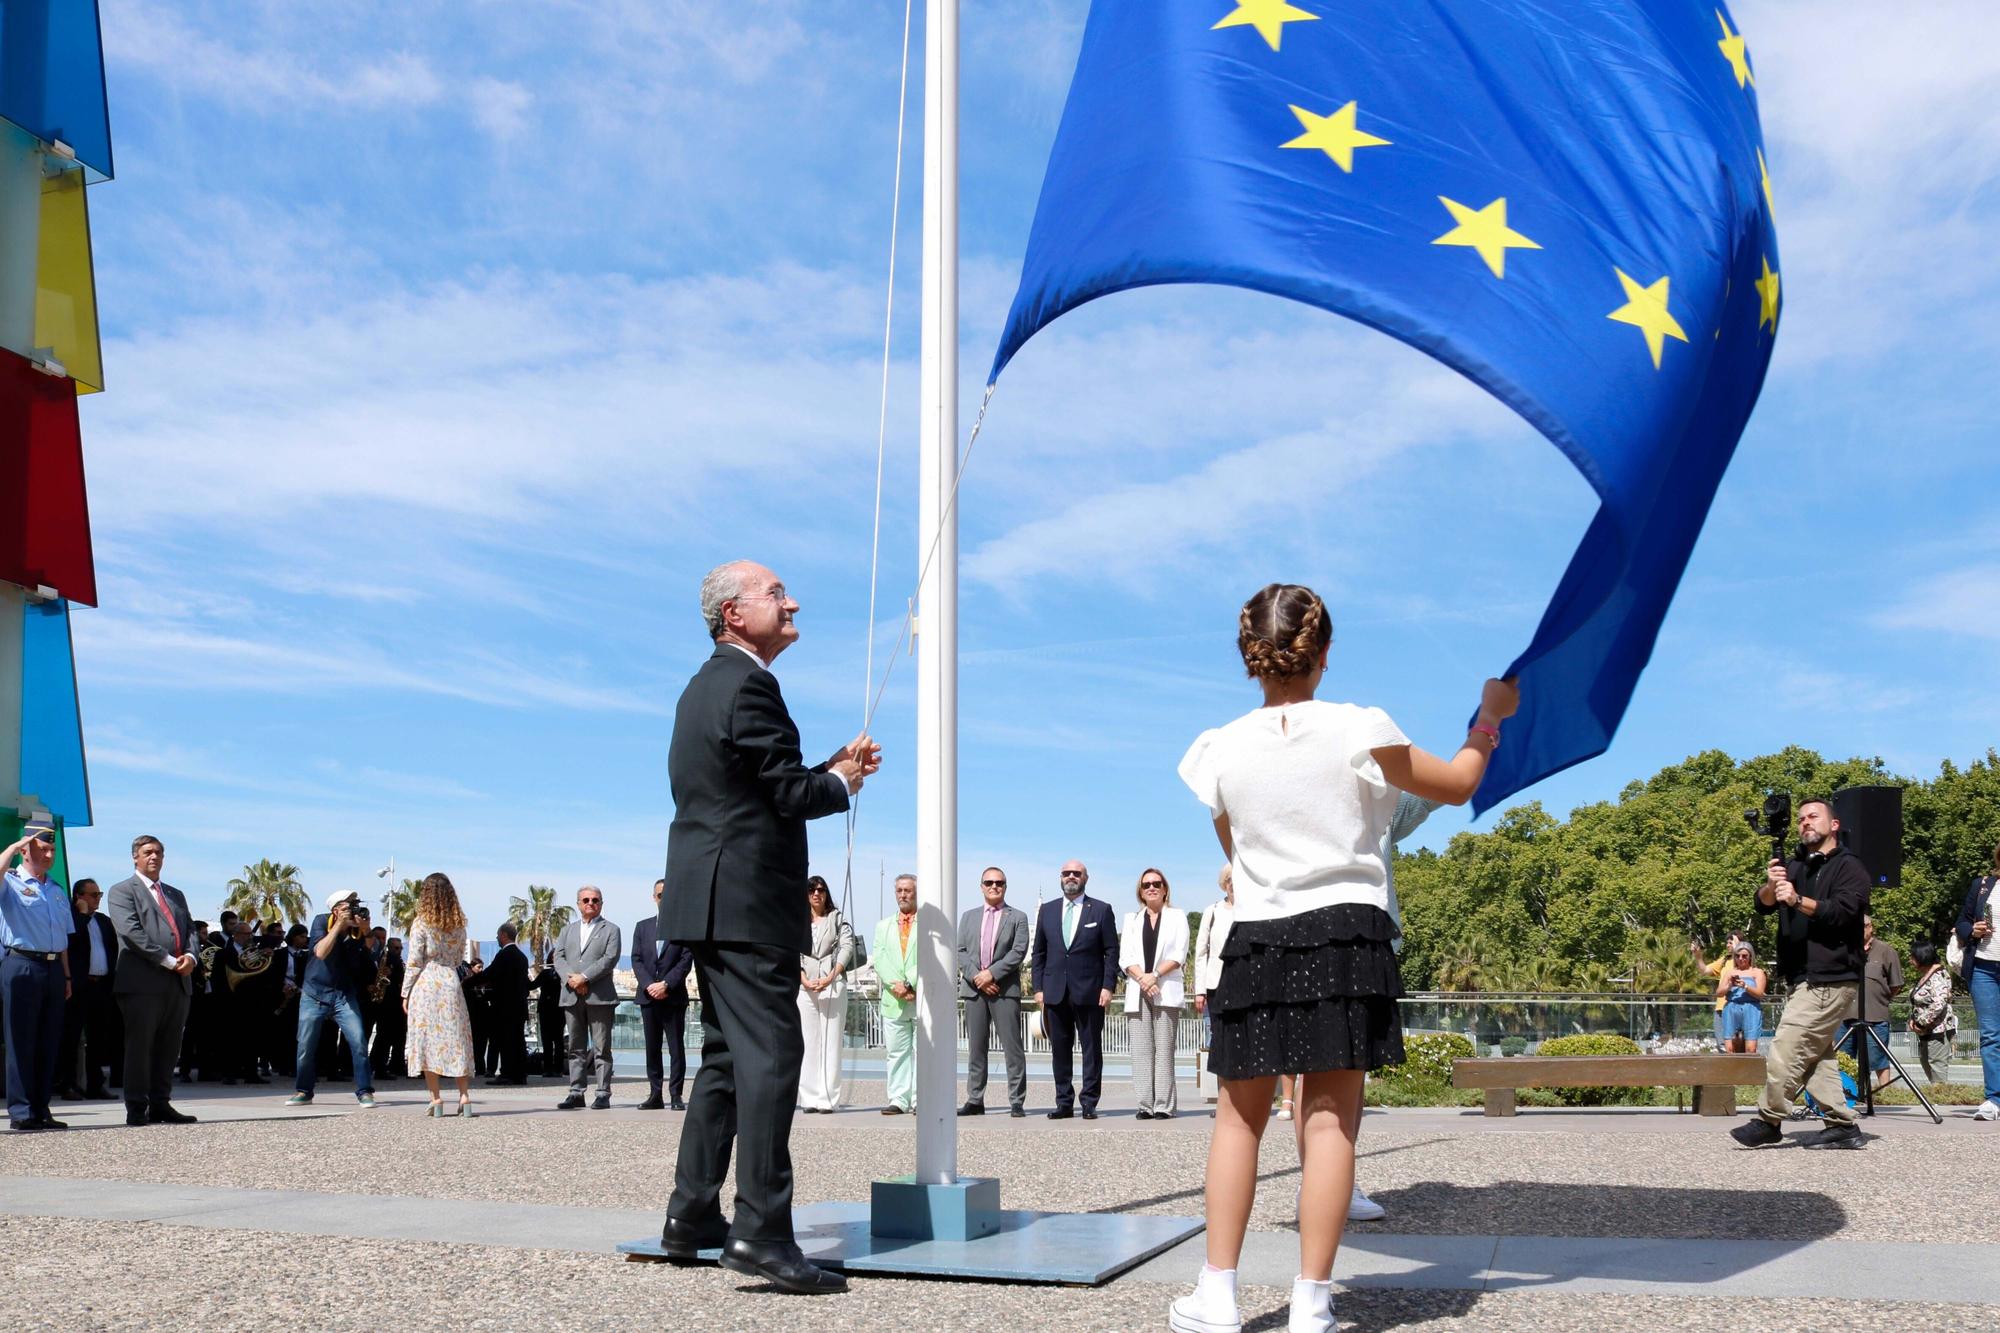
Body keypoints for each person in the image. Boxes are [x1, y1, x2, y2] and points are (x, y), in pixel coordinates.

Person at [1168, 582, 1518, 1333]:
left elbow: (1239, 851)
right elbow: (1456, 785)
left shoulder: (1217, 749)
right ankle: (1311, 1304)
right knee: (1330, 1124)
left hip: (1259, 935)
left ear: (1249, 657)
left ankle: (1218, 1294)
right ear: (1324, 654)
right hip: (1348, 934)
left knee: (1238, 1121)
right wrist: (1488, 718)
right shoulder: (1361, 727)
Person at [658, 559, 877, 1294]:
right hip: (748, 902)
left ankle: (692, 1215)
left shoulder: (704, 686)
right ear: (733, 614)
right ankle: (760, 1231)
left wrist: (829, 768)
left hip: (709, 901)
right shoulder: (751, 683)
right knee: (773, 1056)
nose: (793, 600)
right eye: (776, 593)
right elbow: (785, 793)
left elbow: (750, 787)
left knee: (724, 1057)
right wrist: (839, 783)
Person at [1730, 797, 1873, 1151]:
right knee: (1816, 1055)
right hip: (1801, 976)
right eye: (1801, 818)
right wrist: (1771, 884)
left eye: (1814, 816)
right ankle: (1841, 1125)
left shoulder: (1850, 867)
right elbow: (1763, 904)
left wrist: (1795, 900)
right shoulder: (1794, 864)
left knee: (1786, 1048)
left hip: (1831, 975)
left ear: (1834, 825)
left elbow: (1842, 913)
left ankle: (1769, 1120)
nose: (1806, 822)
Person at [106, 835, 199, 1126]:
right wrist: (170, 961)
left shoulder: (175, 894)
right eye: (148, 852)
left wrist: (191, 958)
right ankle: (137, 1107)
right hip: (142, 983)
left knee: (170, 1047)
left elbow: (190, 930)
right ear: (135, 857)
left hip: (177, 984)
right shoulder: (122, 891)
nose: (154, 857)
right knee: (140, 1046)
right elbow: (132, 933)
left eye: (159, 852)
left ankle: (161, 1103)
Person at [1032, 860, 1119, 1120]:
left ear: (1085, 878)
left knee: (1091, 1048)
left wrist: (1108, 986)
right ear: (1060, 877)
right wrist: (1038, 988)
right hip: (1055, 991)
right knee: (1060, 1049)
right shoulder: (1047, 911)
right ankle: (1064, 1103)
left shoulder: (1101, 910)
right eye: (1066, 873)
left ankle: (1089, 1102)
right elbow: (1039, 952)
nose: (1071, 876)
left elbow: (1111, 951)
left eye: (1076, 873)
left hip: (1091, 992)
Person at [1, 825, 74, 1131]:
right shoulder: (11, 882)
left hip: (54, 967)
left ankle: (42, 1108)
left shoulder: (56, 890)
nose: (48, 855)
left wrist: (67, 976)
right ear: (24, 851)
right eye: (42, 849)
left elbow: (64, 939)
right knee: (20, 1040)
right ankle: (20, 1111)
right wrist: (13, 845)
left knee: (48, 1040)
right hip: (22, 964)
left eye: (52, 851)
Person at [286, 890, 379, 1109]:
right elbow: (320, 952)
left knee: (358, 1042)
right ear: (335, 909)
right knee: (306, 1045)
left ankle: (365, 1092)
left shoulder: (358, 930)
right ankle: (304, 1090)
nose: (355, 908)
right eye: (349, 905)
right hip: (315, 991)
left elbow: (370, 955)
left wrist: (365, 930)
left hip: (344, 993)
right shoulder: (321, 921)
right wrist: (339, 925)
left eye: (356, 904)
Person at [402, 873, 478, 1116]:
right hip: (450, 980)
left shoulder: (422, 922)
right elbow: (458, 959)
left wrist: (406, 992)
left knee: (427, 1039)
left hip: (427, 981)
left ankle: (436, 1099)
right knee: (456, 1038)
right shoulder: (459, 925)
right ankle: (464, 1097)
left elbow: (414, 960)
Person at [957, 865, 1029, 1117]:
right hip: (975, 990)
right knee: (976, 1048)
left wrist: (992, 974)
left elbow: (1018, 952)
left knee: (1013, 1048)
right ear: (981, 886)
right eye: (989, 882)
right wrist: (979, 977)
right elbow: (961, 951)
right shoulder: (967, 916)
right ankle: (975, 1099)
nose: (994, 886)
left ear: (1005, 886)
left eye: (999, 882)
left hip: (1004, 989)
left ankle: (1016, 1100)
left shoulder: (1018, 917)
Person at [1121, 868, 1189, 1120]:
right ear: (1140, 890)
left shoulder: (1177, 916)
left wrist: (1154, 976)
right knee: (1141, 1050)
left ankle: (1163, 1105)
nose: (1151, 887)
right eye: (1146, 884)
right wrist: (1143, 979)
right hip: (1138, 990)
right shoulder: (1131, 919)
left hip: (1165, 987)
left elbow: (1179, 954)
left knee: (1164, 1049)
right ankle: (1144, 1105)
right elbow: (1125, 957)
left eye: (1156, 883)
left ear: (1165, 888)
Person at [552, 886, 621, 1109]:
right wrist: (571, 979)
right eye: (586, 900)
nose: (590, 903)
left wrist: (584, 978)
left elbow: (609, 959)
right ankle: (576, 1091)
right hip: (571, 995)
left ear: (601, 903)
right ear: (578, 904)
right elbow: (558, 957)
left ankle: (602, 1092)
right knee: (575, 1047)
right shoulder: (567, 930)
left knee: (601, 1048)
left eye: (595, 900)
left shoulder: (611, 929)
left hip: (599, 997)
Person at [633, 879, 694, 1110]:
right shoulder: (642, 927)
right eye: (660, 895)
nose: (663, 899)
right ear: (654, 898)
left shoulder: (684, 928)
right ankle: (655, 1094)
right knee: (652, 1047)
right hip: (648, 997)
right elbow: (637, 959)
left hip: (673, 996)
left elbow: (686, 960)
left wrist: (666, 984)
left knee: (676, 1048)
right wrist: (650, 985)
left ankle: (676, 1095)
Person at [797, 876, 857, 1114]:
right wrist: (802, 979)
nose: (816, 894)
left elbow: (847, 946)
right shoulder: (798, 920)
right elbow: (791, 951)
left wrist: (831, 976)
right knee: (809, 1042)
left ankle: (828, 1098)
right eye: (811, 889)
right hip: (805, 986)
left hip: (832, 985)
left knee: (831, 1043)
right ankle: (809, 1097)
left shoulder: (838, 918)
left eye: (821, 889)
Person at [60, 877, 118, 1100]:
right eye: (93, 895)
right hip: (78, 986)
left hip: (101, 986)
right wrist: (83, 915)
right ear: (79, 897)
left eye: (99, 894)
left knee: (99, 1038)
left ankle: (96, 1084)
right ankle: (69, 1084)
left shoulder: (103, 921)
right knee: (72, 1037)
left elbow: (112, 948)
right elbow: (71, 942)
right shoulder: (72, 918)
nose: (97, 899)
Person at [1952, 847, 1998, 1121]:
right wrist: (1973, 930)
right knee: (1991, 1036)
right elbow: (1961, 923)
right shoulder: (1982, 886)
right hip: (1983, 967)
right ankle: (1993, 1099)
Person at [871, 874, 921, 1115]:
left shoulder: (928, 924)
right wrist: (897, 986)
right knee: (896, 1053)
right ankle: (898, 1099)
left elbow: (929, 955)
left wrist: (909, 983)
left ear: (916, 893)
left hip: (920, 998)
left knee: (923, 1052)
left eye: (908, 890)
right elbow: (880, 958)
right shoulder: (883, 926)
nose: (903, 894)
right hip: (894, 999)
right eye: (899, 890)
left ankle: (920, 1098)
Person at [1837, 915, 1902, 1091]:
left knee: (1878, 1059)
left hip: (1875, 1016)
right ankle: (1848, 1094)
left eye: (1862, 926)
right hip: (1844, 1017)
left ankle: (1886, 1094)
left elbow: (1895, 985)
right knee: (1842, 1060)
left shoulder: (1886, 951)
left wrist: (1880, 1000)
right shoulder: (1843, 950)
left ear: (1870, 927)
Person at [470, 923, 530, 1085]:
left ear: (504, 934)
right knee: (518, 1041)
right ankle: (520, 1074)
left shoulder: (504, 955)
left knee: (506, 1041)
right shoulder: (522, 957)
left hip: (505, 1007)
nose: (496, 938)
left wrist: (468, 982)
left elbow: (489, 974)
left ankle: (507, 1074)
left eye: (498, 935)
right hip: (519, 1006)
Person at [1193, 865, 1235, 1055]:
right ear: (1224, 883)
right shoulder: (1212, 911)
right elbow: (1201, 952)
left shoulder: (1253, 909)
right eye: (1229, 879)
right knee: (1217, 1037)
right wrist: (1200, 991)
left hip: (1247, 982)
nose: (1233, 883)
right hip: (1216, 984)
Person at [1908, 940, 1956, 1085]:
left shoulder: (1938, 976)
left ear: (1922, 957)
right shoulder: (1927, 975)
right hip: (1926, 1031)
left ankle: (1940, 1101)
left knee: (1937, 1067)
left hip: (1937, 1031)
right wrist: (1913, 1020)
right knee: (1927, 1063)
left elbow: (1938, 1003)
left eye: (1912, 956)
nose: (1910, 960)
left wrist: (1921, 1022)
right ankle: (1936, 1098)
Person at [1696, 930, 1752, 1051]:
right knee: (1722, 1046)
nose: (1728, 945)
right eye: (1727, 943)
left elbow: (1744, 972)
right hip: (1721, 1008)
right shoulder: (1724, 960)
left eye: (1731, 942)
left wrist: (1739, 948)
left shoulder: (1746, 960)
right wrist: (1698, 957)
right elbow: (1705, 970)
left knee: (1741, 1045)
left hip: (1739, 1008)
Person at [1718, 944, 1767, 1054]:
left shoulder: (1758, 972)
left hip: (1751, 1008)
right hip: (1731, 1008)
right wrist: (1729, 985)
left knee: (1751, 1049)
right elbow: (1719, 993)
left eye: (1744, 956)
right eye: (1737, 956)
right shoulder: (1730, 972)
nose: (1741, 958)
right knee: (1730, 1049)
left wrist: (1746, 986)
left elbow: (1760, 994)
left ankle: (1749, 1070)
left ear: (1750, 956)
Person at [533, 948, 564, 1076]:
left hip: (559, 1009)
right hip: (545, 1009)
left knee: (558, 1040)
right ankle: (547, 1069)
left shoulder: (564, 973)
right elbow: (533, 985)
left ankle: (558, 1069)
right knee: (546, 1040)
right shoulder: (545, 973)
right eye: (553, 957)